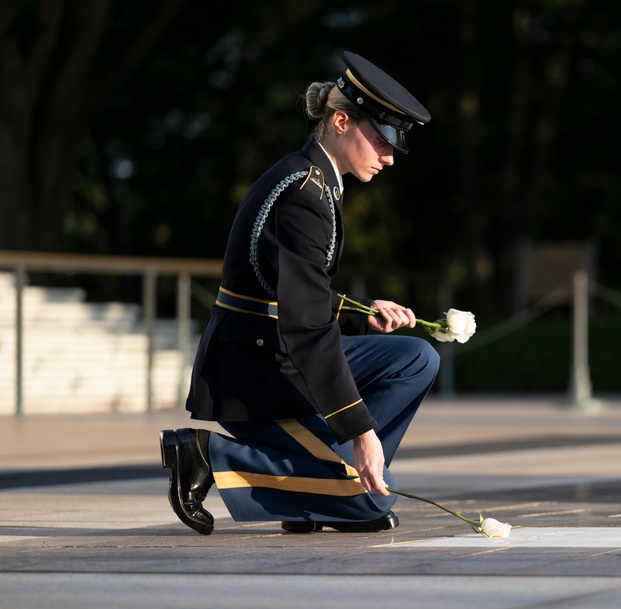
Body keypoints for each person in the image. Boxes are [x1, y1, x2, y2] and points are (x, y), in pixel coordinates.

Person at [160, 51, 439, 536]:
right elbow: (306, 325)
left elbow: (291, 289)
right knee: (369, 507)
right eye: (381, 139)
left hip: (278, 356)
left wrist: (359, 313)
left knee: (416, 358)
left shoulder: (316, 182)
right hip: (257, 374)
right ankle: (205, 454)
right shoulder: (302, 195)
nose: (390, 156)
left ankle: (318, 492)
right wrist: (362, 431)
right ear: (341, 120)